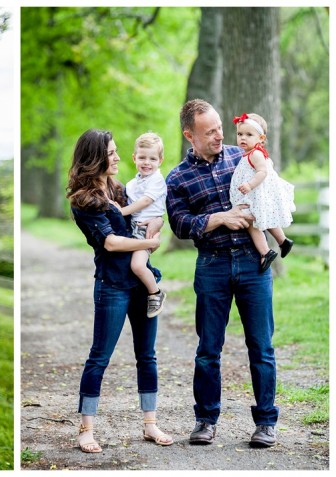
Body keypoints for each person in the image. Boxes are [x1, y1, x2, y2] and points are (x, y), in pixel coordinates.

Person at [165, 99, 279, 448]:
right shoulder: (178, 177)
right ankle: (205, 421)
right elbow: (180, 224)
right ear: (190, 135)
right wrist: (219, 218)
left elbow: (270, 186)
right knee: (208, 349)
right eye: (209, 131)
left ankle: (265, 423)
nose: (219, 135)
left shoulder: (241, 156)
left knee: (261, 347)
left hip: (252, 261)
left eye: (219, 128)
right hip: (211, 265)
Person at [67, 129, 173, 454]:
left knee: (147, 355)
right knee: (100, 357)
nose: (117, 157)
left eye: (115, 151)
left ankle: (151, 424)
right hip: (112, 285)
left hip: (141, 283)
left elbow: (148, 213)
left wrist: (155, 224)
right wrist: (150, 242)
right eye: (111, 153)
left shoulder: (120, 188)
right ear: (95, 157)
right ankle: (86, 429)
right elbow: (111, 242)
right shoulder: (83, 201)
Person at [229, 112, 295, 272]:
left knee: (252, 224)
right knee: (264, 219)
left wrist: (250, 185)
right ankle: (283, 241)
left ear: (261, 139)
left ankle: (266, 252)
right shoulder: (249, 153)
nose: (243, 138)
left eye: (249, 134)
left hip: (255, 195)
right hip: (254, 195)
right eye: (240, 134)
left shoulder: (256, 154)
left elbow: (262, 172)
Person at [115, 132, 168, 317]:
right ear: (134, 158)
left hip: (145, 230)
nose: (147, 162)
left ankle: (156, 293)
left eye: (152, 158)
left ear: (160, 160)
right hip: (134, 228)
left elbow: (145, 202)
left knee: (137, 266)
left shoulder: (157, 181)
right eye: (142, 157)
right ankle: (142, 291)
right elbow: (130, 200)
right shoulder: (133, 183)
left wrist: (121, 211)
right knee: (133, 266)